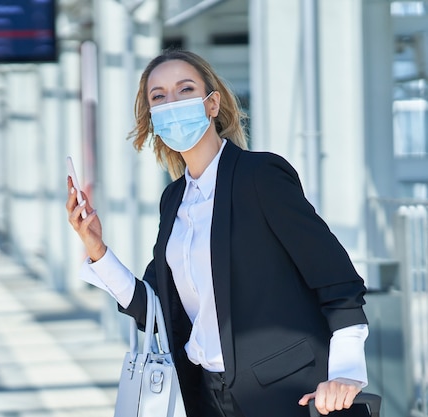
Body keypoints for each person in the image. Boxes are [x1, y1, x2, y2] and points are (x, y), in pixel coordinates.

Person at [66, 49, 369, 417]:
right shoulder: (174, 199)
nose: (171, 102)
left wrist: (347, 373)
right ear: (151, 117)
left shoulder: (260, 177)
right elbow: (157, 310)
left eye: (185, 89)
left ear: (212, 104)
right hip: (208, 395)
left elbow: (336, 278)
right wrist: (96, 248)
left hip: (286, 392)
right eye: (158, 96)